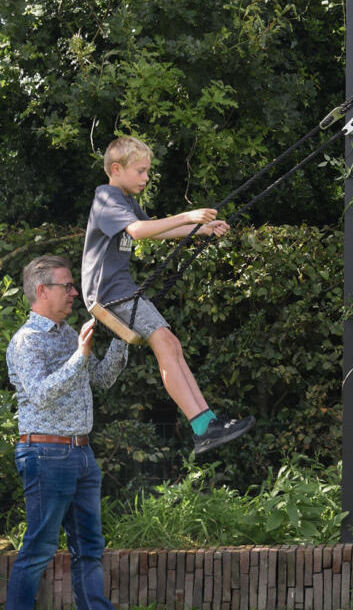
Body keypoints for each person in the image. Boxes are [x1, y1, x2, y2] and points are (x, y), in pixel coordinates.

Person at [3, 255, 150, 610]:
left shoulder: (69, 335)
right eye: (67, 286)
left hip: (82, 454)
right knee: (38, 548)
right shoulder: (25, 342)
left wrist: (121, 337)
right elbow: (41, 392)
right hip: (45, 452)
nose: (74, 293)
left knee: (90, 548)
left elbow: (100, 380)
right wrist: (80, 355)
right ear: (41, 290)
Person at [81, 136, 254, 457]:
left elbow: (151, 227)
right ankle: (202, 428)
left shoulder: (125, 200)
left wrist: (198, 231)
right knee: (164, 342)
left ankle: (207, 423)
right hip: (107, 294)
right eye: (141, 171)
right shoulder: (106, 197)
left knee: (170, 343)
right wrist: (188, 217)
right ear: (116, 169)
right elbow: (137, 231)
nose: (146, 178)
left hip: (121, 291)